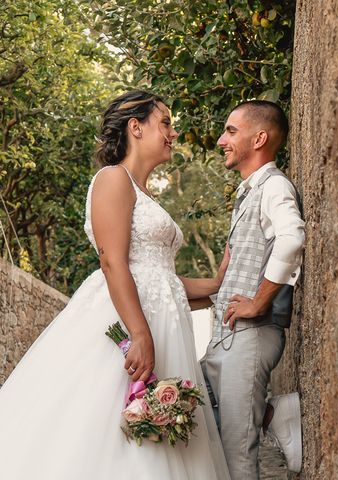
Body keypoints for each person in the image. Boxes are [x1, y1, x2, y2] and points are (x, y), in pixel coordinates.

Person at [0, 90, 230, 480]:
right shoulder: (113, 179)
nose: (172, 133)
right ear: (135, 127)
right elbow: (112, 261)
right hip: (125, 327)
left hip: (162, 327)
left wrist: (219, 283)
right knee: (108, 435)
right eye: (166, 123)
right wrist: (139, 334)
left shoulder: (145, 194)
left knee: (161, 442)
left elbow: (162, 280)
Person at [193, 100, 305, 480]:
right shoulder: (247, 192)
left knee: (237, 455)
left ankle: (271, 413)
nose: (222, 140)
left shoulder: (274, 186)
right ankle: (272, 413)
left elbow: (292, 238)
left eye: (230, 131)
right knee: (201, 418)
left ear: (259, 138)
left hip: (252, 336)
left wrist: (259, 302)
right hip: (226, 338)